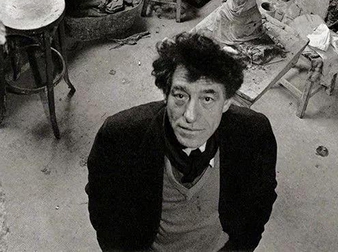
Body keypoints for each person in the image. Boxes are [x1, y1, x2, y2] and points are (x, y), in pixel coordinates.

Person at [86, 32, 277, 251]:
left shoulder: (254, 134)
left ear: (226, 102)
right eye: (180, 96)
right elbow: (105, 215)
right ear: (166, 95)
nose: (190, 115)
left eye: (207, 98)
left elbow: (260, 204)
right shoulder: (119, 137)